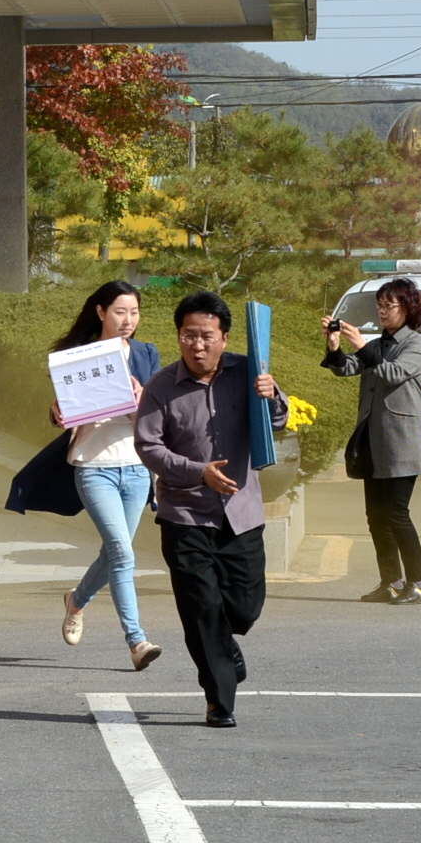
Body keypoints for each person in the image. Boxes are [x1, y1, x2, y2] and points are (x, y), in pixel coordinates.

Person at [135, 291, 288, 728]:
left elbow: (277, 420)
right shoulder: (162, 387)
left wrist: (273, 394)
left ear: (224, 337)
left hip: (241, 513)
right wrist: (197, 472)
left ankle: (228, 647)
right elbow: (148, 446)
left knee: (244, 608)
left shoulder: (248, 372)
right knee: (201, 610)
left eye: (206, 336)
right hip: (185, 516)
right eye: (188, 336)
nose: (196, 345)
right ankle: (220, 700)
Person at [41, 282, 163, 670]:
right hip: (94, 465)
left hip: (137, 467)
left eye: (134, 312)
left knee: (114, 552)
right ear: (100, 313)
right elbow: (63, 409)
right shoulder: (75, 356)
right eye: (119, 312)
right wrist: (58, 412)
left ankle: (76, 601)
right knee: (123, 552)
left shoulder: (146, 354)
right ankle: (137, 641)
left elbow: (161, 412)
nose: (128, 320)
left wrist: (144, 396)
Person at [322, 277, 421, 605]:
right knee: (376, 516)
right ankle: (392, 582)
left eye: (389, 305)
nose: (382, 310)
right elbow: (347, 369)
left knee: (397, 513)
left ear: (408, 308)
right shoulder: (379, 343)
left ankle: (419, 582)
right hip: (372, 439)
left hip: (401, 442)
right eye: (380, 305)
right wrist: (335, 346)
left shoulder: (415, 345)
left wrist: (361, 345)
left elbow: (392, 374)